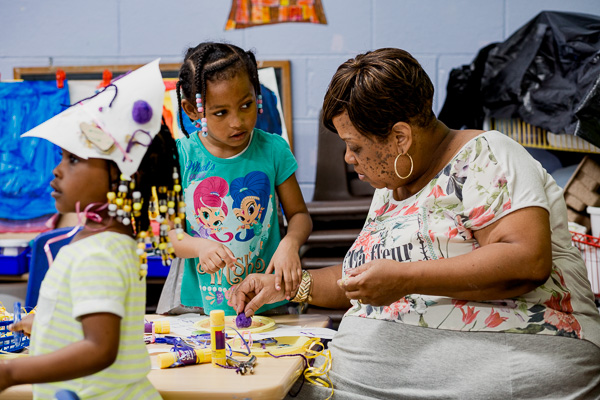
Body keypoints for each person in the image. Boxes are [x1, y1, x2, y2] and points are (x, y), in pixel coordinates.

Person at [228, 48, 600, 399]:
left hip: (519, 359)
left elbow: (526, 261)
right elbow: (366, 282)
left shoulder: (488, 154)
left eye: (355, 146)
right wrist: (288, 286)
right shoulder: (392, 187)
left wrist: (405, 279)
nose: (347, 158)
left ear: (400, 137)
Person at [0, 60, 176, 399]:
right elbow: (101, 316)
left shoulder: (99, 251)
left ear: (126, 175)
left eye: (74, 160)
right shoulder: (109, 241)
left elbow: (100, 347)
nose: (56, 170)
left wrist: (10, 372)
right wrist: (47, 322)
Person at [157, 42, 312, 316]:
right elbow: (167, 234)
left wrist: (290, 243)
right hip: (198, 306)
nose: (237, 122)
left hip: (265, 301)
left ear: (258, 96)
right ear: (193, 110)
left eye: (246, 105)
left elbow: (300, 214)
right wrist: (199, 246)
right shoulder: (179, 156)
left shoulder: (273, 150)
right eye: (221, 112)